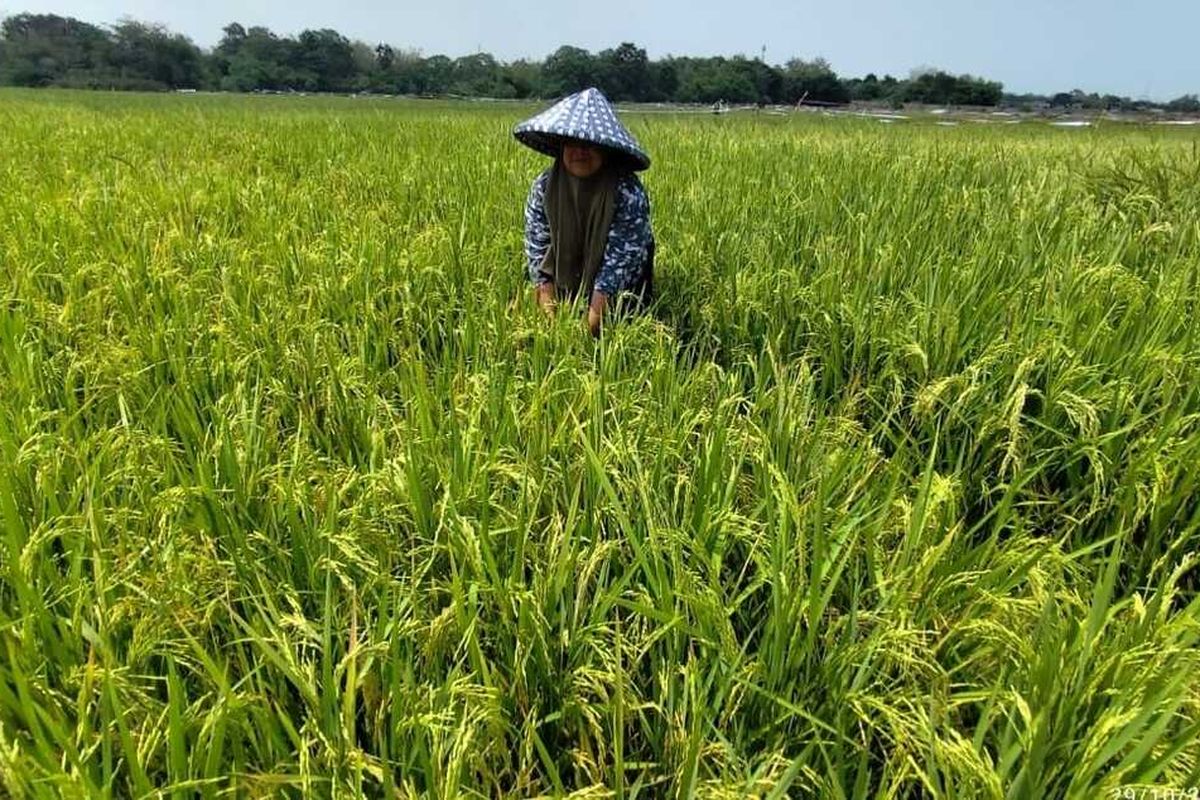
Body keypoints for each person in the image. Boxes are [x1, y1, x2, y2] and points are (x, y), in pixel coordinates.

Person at [513, 87, 655, 336]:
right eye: (572, 142)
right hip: (562, 287)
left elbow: (617, 268)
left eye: (589, 144)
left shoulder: (626, 192)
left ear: (605, 148)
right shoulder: (545, 186)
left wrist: (584, 333)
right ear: (561, 146)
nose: (580, 151)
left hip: (617, 293)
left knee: (618, 327)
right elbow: (537, 253)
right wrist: (551, 325)